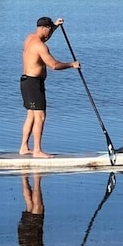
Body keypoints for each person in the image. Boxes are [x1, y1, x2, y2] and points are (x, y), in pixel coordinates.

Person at [19, 16, 80, 158]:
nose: (49, 33)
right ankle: (37, 151)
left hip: (25, 82)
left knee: (31, 115)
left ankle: (23, 147)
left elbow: (45, 37)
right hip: (34, 84)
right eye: (49, 29)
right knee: (40, 116)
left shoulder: (30, 38)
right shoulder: (40, 46)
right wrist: (72, 64)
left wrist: (56, 26)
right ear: (44, 28)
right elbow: (53, 65)